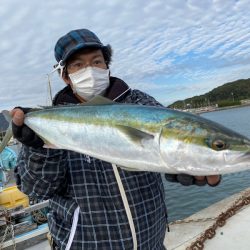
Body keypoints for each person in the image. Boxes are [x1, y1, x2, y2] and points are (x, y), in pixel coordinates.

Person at [11, 29, 220, 250]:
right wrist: (39, 149)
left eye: (97, 61)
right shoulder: (51, 122)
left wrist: (182, 163)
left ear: (107, 66)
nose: (90, 70)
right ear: (65, 76)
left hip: (152, 241)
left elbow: (170, 139)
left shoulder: (140, 102)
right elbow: (36, 190)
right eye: (78, 65)